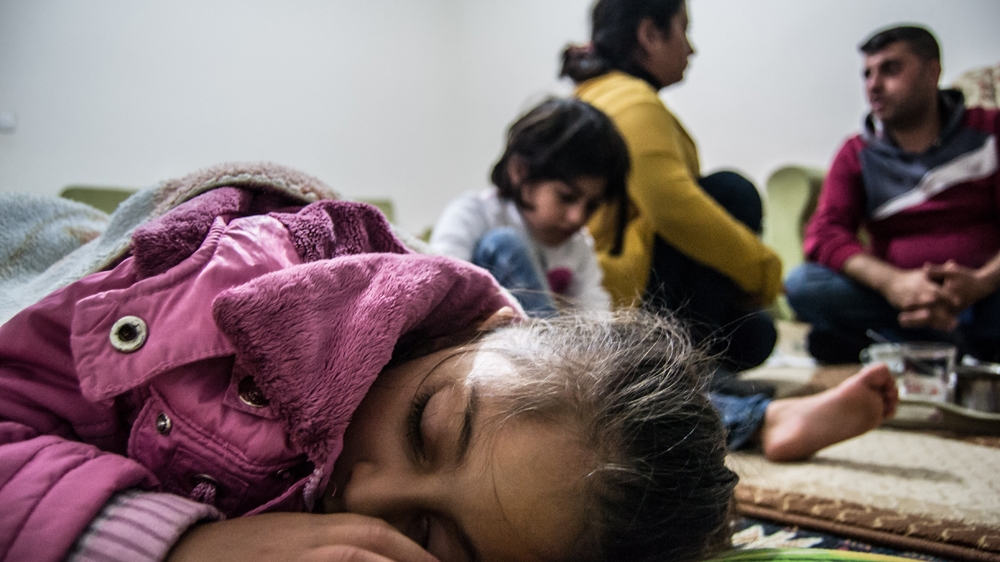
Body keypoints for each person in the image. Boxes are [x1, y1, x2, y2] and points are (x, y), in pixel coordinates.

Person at [0, 164, 896, 562]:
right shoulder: (232, 292)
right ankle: (762, 418)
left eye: (432, 541)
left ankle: (754, 420)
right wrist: (182, 544)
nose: (373, 500)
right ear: (441, 339)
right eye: (427, 427)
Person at [560, 0, 783, 375]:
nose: (691, 48)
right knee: (730, 191)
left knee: (754, 335)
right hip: (613, 301)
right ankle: (688, 374)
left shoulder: (593, 94)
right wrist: (765, 271)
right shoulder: (633, 101)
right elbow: (673, 207)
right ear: (649, 34)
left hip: (595, 288)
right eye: (684, 29)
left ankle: (697, 366)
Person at [784, 25, 1000, 364]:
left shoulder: (990, 131)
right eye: (867, 74)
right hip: (895, 300)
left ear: (933, 72)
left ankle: (904, 343)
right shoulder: (856, 153)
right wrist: (895, 284)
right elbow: (824, 234)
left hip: (985, 294)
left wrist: (981, 282)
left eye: (891, 69)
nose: (874, 85)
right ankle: (945, 342)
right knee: (802, 284)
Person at [430, 98, 628, 316]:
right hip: (472, 338)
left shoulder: (577, 245)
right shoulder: (473, 214)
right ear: (519, 171)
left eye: (592, 206)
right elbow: (440, 288)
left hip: (542, 342)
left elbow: (596, 315)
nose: (577, 217)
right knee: (504, 243)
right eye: (566, 197)